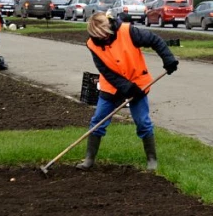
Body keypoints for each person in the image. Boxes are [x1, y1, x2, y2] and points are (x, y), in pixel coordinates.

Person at [77, 12, 179, 172]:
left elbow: (155, 40)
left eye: (103, 36)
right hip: (110, 87)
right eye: (97, 37)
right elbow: (106, 71)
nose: (101, 39)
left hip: (138, 83)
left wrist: (168, 59)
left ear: (108, 28)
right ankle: (89, 159)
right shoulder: (92, 44)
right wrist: (127, 88)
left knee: (142, 122)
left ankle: (152, 159)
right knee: (98, 122)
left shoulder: (128, 31)